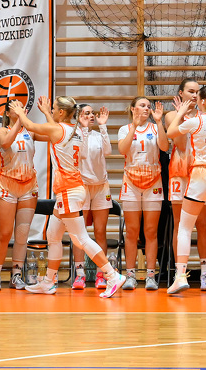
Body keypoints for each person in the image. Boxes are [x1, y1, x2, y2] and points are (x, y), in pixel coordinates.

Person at [8, 96, 126, 298]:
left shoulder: (59, 129)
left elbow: (30, 125)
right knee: (53, 236)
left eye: (54, 109)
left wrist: (19, 111)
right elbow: (55, 130)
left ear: (61, 112)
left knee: (81, 238)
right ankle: (48, 282)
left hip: (69, 191)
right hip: (72, 189)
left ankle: (112, 275)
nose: (52, 111)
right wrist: (47, 112)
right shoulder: (76, 130)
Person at [166, 86, 206, 297]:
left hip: (202, 173)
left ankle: (180, 276)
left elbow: (171, 133)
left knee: (184, 228)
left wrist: (180, 113)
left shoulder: (197, 121)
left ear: (202, 102)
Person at [165, 79, 206, 291]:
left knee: (203, 224)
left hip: (200, 173)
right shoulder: (171, 116)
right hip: (179, 172)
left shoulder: (205, 116)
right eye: (190, 91)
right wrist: (181, 114)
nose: (194, 95)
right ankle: (180, 273)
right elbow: (181, 144)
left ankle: (205, 273)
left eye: (197, 92)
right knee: (180, 225)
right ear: (181, 93)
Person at [117, 97, 168, 291]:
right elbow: (122, 149)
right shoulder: (125, 129)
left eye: (148, 106)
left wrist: (159, 122)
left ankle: (150, 276)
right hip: (131, 182)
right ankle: (130, 275)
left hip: (153, 182)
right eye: (142, 105)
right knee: (131, 231)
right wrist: (134, 126)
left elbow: (165, 147)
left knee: (151, 232)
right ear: (133, 109)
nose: (147, 108)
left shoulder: (155, 128)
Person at [0, 99, 42, 290]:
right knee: (4, 233)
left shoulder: (31, 131)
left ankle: (17, 274)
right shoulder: (2, 131)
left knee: (22, 234)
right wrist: (20, 119)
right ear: (7, 113)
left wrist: (46, 113)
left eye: (22, 106)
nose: (20, 108)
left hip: (28, 187)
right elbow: (6, 143)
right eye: (15, 106)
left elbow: (53, 134)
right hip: (7, 185)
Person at [72, 104, 112, 290]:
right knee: (80, 233)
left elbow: (108, 151)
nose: (91, 116)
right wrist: (84, 130)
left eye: (92, 113)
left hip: (101, 186)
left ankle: (101, 274)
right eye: (86, 113)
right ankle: (79, 275)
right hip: (82, 186)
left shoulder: (98, 134)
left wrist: (103, 126)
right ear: (78, 116)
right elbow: (83, 154)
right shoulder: (74, 135)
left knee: (100, 232)